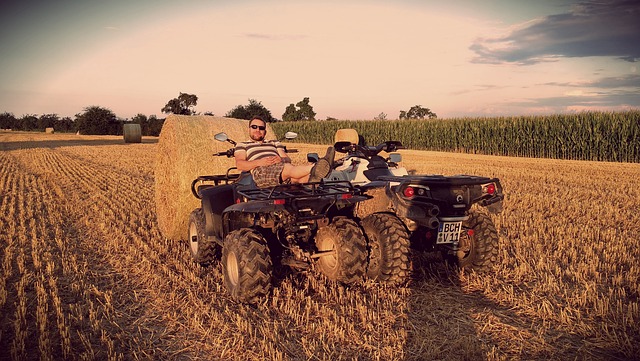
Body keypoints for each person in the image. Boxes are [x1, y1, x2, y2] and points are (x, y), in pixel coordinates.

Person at [234, 116, 334, 188]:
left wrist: (281, 159)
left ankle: (312, 181)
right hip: (260, 172)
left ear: (265, 131)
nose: (257, 130)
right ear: (249, 129)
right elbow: (240, 164)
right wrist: (260, 162)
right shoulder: (242, 145)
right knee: (287, 168)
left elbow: (287, 159)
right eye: (254, 127)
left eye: (261, 128)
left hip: (280, 169)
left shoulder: (274, 142)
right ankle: (317, 166)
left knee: (299, 179)